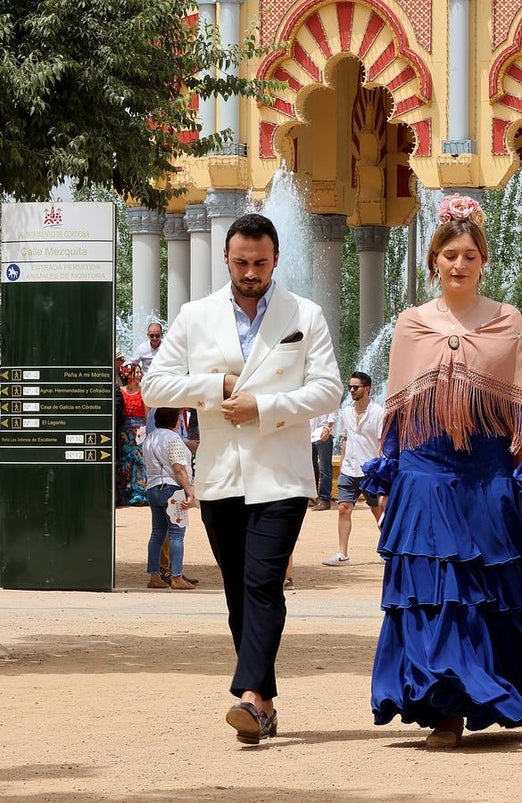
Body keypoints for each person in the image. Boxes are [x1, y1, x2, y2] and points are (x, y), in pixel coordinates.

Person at [364, 194, 522, 749]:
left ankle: (485, 693)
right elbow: (396, 409)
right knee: (433, 595)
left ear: (483, 261)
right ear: (434, 260)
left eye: (470, 256)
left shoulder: (507, 320)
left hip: (487, 476)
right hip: (423, 476)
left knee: (486, 593)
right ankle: (446, 708)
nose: (459, 264)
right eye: (450, 255)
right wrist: (384, 476)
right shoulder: (410, 324)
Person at [142, 212, 342, 745]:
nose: (250, 272)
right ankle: (265, 704)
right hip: (221, 475)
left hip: (282, 474)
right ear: (226, 259)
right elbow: (155, 386)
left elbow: (328, 390)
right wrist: (219, 386)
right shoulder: (195, 315)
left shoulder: (306, 314)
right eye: (240, 262)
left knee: (262, 582)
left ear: (276, 259)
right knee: (238, 590)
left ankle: (249, 695)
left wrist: (265, 406)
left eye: (260, 262)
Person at [322, 372, 384, 566]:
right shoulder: (346, 412)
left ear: (367, 389)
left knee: (377, 511)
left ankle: (389, 549)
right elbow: (345, 439)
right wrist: (342, 465)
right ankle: (342, 554)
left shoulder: (379, 413)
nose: (351, 390)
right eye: (350, 387)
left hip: (370, 470)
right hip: (349, 469)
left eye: (355, 387)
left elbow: (381, 443)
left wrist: (380, 469)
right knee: (343, 508)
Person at [143, 407, 198, 590]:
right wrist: (190, 491)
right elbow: (178, 468)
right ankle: (176, 576)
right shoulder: (173, 438)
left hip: (153, 487)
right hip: (172, 489)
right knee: (176, 534)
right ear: (175, 420)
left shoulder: (149, 438)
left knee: (157, 533)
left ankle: (155, 575)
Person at [117, 363, 148, 507]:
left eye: (140, 372)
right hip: (124, 432)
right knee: (125, 462)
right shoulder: (120, 391)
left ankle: (140, 493)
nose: (139, 375)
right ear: (129, 374)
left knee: (140, 461)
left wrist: (147, 431)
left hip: (140, 431)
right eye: (136, 372)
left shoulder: (143, 391)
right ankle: (126, 493)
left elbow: (147, 415)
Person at [308, 411, 336, 511]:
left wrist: (328, 429)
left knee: (324, 468)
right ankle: (312, 497)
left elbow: (334, 411)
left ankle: (325, 499)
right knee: (311, 467)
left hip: (323, 432)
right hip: (310, 434)